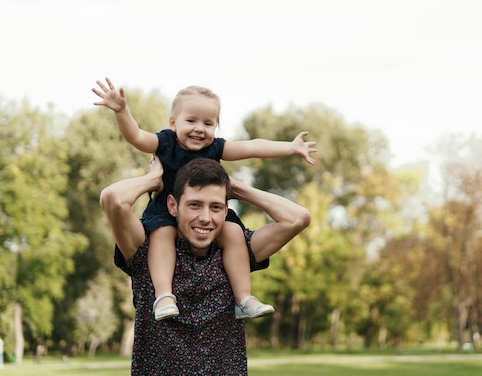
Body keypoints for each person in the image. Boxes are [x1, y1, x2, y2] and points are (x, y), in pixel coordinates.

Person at [93, 77, 316, 321]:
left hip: (197, 220)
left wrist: (290, 147)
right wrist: (122, 111)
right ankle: (164, 295)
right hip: (164, 214)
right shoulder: (165, 143)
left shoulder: (216, 148)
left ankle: (243, 298)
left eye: (209, 123)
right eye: (191, 121)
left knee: (233, 232)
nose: (200, 128)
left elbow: (252, 147)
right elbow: (135, 136)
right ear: (173, 123)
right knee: (162, 234)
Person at [100, 157, 310, 375]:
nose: (205, 218)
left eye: (216, 207)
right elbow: (112, 198)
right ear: (173, 205)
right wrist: (154, 179)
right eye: (195, 205)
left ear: (226, 209)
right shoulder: (149, 249)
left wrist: (236, 187)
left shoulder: (235, 251)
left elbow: (297, 218)